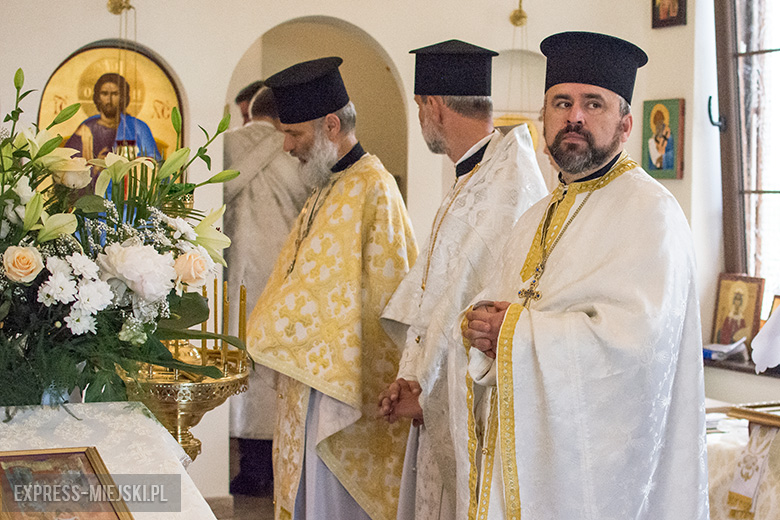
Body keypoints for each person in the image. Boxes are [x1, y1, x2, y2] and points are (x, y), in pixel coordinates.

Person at [461, 31, 709, 519]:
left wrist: (514, 333)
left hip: (599, 483)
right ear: (544, 118)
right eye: (562, 103)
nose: (574, 116)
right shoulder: (535, 216)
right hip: (530, 460)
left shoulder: (651, 213)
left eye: (593, 104)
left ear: (625, 124)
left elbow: (635, 354)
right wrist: (480, 327)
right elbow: (503, 305)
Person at [377, 40, 547, 520]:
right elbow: (435, 295)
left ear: (433, 106)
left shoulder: (506, 188)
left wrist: (429, 395)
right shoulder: (476, 177)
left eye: (419, 107)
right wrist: (412, 376)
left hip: (471, 412)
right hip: (437, 400)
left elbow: (479, 309)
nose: (420, 118)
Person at [245, 57, 418, 520]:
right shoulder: (326, 186)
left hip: (347, 392)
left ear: (330, 125)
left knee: (331, 502)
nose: (286, 146)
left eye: (294, 134)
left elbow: (396, 292)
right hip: (309, 381)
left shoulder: (374, 187)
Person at [223, 86, 313, 496]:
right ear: (282, 118)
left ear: (252, 113)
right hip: (282, 274)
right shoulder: (294, 151)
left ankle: (245, 465)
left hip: (231, 273)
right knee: (273, 369)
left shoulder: (226, 147)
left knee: (235, 364)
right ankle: (276, 466)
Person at [65, 72, 160, 166]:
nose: (109, 99)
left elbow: (155, 163)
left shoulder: (138, 128)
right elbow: (67, 166)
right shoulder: (85, 130)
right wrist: (95, 168)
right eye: (104, 94)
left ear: (123, 97)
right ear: (97, 97)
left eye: (115, 94)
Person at [647, 106, 674, 170]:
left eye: (660, 121)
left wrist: (663, 158)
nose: (659, 125)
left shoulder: (669, 137)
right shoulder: (651, 141)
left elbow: (672, 154)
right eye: (657, 122)